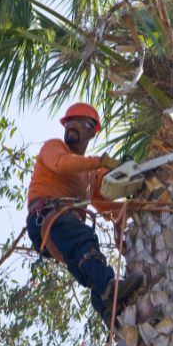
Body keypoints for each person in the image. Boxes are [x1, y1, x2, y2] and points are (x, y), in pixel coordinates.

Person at [26, 103, 144, 327]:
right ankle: (110, 287)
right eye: (68, 122)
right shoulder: (54, 147)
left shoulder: (90, 173)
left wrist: (136, 207)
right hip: (46, 217)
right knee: (85, 239)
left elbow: (104, 204)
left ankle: (111, 312)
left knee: (87, 261)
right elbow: (62, 165)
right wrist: (100, 162)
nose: (70, 126)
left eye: (77, 123)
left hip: (64, 229)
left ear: (91, 130)